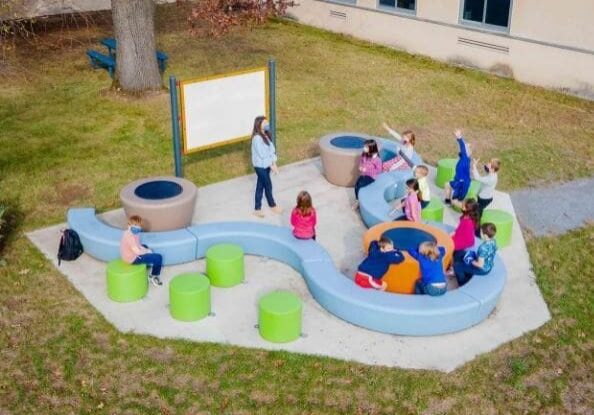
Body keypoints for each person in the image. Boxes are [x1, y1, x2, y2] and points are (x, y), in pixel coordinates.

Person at [251, 115, 281, 218]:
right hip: (260, 167)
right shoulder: (256, 139)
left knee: (260, 186)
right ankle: (272, 205)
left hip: (267, 165)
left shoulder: (266, 136)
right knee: (268, 185)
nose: (267, 124)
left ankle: (257, 209)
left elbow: (272, 150)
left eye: (266, 122)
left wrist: (273, 163)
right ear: (259, 125)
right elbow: (262, 154)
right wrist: (272, 165)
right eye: (264, 123)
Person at [120, 215, 163, 286]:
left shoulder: (134, 232)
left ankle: (147, 263)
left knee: (145, 246)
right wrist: (147, 251)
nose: (137, 227)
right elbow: (137, 252)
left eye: (138, 225)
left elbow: (138, 245)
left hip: (129, 254)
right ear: (129, 225)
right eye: (135, 225)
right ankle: (153, 276)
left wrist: (146, 249)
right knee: (158, 258)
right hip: (132, 258)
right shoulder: (129, 236)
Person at [454, 223, 498, 287]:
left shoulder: (483, 248)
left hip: (483, 269)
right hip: (489, 266)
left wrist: (470, 260)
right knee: (463, 254)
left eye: (481, 233)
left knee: (457, 266)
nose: (480, 234)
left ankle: (463, 284)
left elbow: (480, 265)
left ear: (485, 235)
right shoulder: (494, 241)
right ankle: (467, 274)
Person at [444, 129, 471, 208]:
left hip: (461, 184)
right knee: (447, 184)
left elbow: (462, 146)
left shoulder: (465, 158)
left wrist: (459, 137)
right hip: (459, 181)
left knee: (455, 202)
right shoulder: (466, 158)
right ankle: (448, 201)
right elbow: (464, 148)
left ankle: (469, 211)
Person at [353, 139, 382, 209]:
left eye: (366, 147)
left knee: (360, 185)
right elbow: (361, 161)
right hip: (364, 174)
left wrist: (366, 170)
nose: (364, 148)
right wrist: (360, 166)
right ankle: (357, 200)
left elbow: (379, 171)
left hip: (371, 177)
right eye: (364, 146)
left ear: (371, 148)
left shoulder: (377, 159)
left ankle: (360, 201)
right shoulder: (364, 154)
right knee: (356, 185)